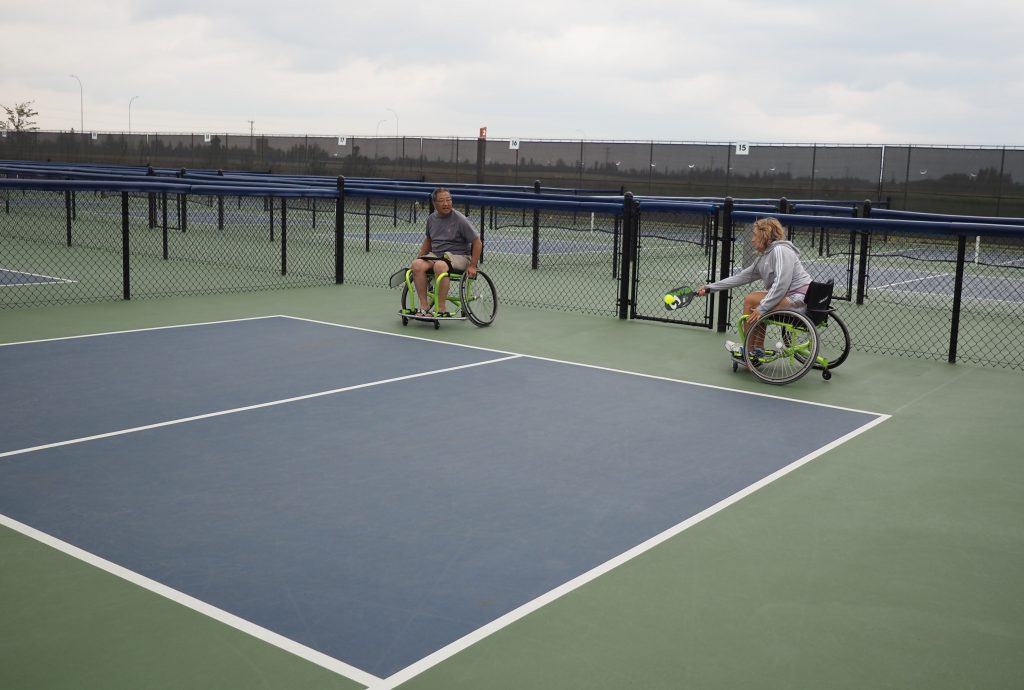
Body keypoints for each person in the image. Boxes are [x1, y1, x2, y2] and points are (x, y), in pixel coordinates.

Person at [697, 217, 812, 357]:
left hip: (800, 300)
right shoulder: (764, 257)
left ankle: (749, 351)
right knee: (755, 299)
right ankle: (757, 349)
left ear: (765, 236)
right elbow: (740, 277)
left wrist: (763, 307)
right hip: (790, 296)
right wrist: (710, 288)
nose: (752, 240)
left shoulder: (780, 251)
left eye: (755, 235)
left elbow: (782, 282)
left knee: (752, 301)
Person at [408, 188, 482, 317]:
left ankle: (441, 308)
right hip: (437, 256)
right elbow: (428, 241)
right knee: (416, 265)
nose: (446, 203)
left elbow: (477, 242)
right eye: (442, 201)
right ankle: (424, 307)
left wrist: (472, 265)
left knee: (440, 265)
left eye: (448, 200)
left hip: (460, 256)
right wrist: (419, 258)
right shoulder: (431, 219)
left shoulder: (460, 219)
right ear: (434, 203)